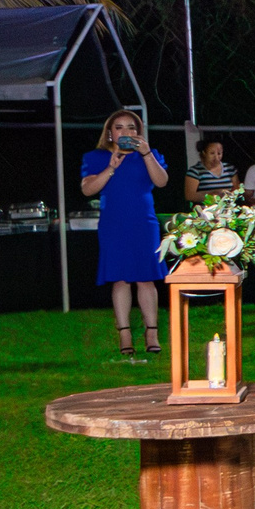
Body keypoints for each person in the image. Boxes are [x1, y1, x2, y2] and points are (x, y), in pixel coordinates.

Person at [80, 108, 169, 361]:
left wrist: (147, 153)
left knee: (146, 278)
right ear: (110, 133)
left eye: (131, 127)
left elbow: (161, 181)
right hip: (114, 224)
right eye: (119, 127)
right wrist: (111, 167)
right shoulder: (96, 156)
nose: (126, 132)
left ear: (138, 132)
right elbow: (88, 190)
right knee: (120, 279)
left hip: (144, 222)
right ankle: (125, 335)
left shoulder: (149, 154)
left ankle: (151, 334)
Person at [186, 134, 239, 204]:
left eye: (219, 153)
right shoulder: (195, 171)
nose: (216, 157)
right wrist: (212, 194)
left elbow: (236, 189)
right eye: (212, 153)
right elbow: (190, 195)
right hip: (205, 210)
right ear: (204, 153)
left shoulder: (230, 169)